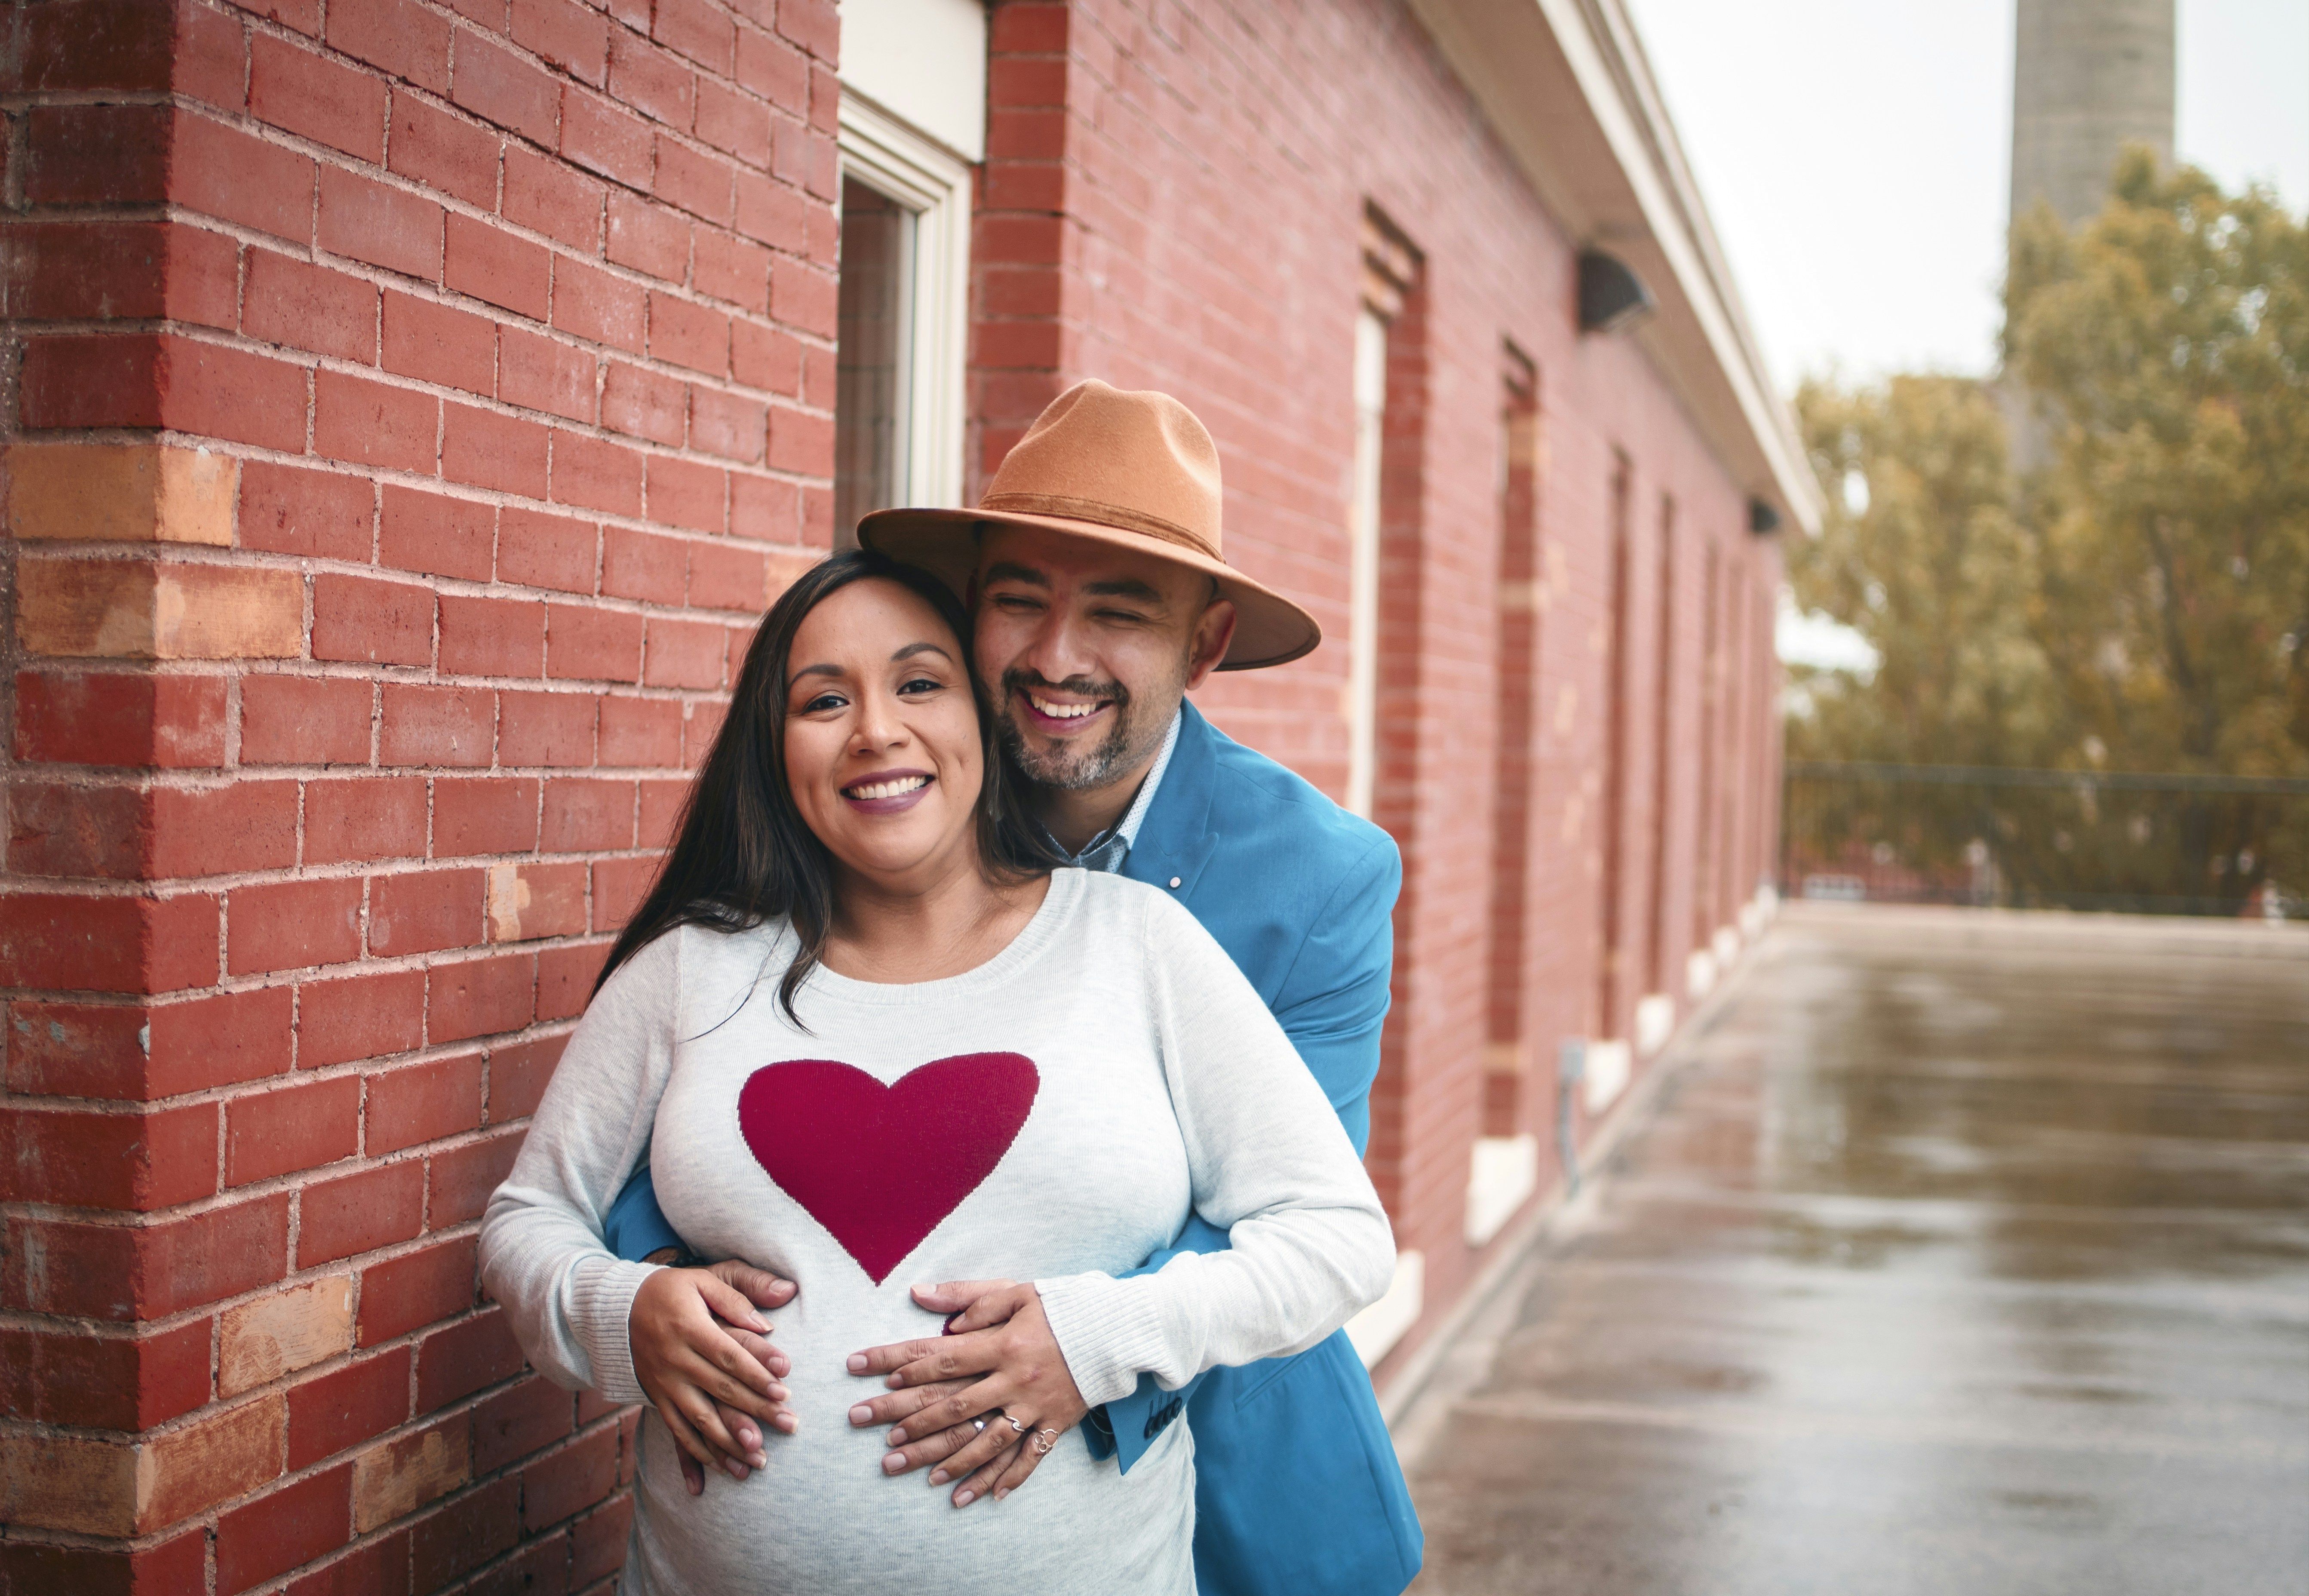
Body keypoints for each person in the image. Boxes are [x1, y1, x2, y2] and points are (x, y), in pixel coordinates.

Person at [604, 380, 1427, 1594]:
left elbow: (1286, 1211)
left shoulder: (1318, 877)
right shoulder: (883, 801)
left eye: (1118, 614)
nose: (1055, 657)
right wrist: (674, 1286)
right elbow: (678, 1090)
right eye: (1017, 602)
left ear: (1201, 646)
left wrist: (1080, 1348)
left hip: (1224, 1462)